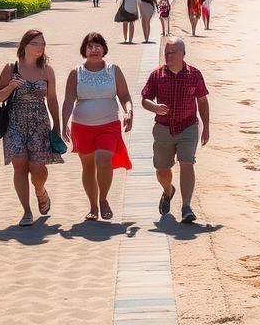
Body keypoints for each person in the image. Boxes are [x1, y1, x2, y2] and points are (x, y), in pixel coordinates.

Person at [0, 29, 63, 226]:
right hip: (14, 123)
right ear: (24, 45)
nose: (40, 47)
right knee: (19, 166)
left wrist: (57, 125)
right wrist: (10, 87)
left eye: (42, 43)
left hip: (39, 123)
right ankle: (26, 211)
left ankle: (40, 192)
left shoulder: (47, 70)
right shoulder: (11, 68)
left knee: (38, 170)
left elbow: (52, 99)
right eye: (35, 43)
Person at [61, 32, 133, 221]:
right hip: (82, 126)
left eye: (97, 46)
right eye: (90, 46)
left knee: (103, 160)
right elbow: (69, 100)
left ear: (104, 49)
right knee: (87, 167)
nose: (94, 50)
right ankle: (93, 206)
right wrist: (63, 123)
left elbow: (124, 96)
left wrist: (129, 111)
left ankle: (103, 199)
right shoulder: (76, 72)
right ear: (84, 50)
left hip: (109, 124)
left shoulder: (113, 70)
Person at [141, 36, 210, 223]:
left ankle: (186, 207)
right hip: (163, 128)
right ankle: (168, 190)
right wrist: (154, 107)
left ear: (183, 54)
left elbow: (202, 101)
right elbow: (145, 99)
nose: (168, 55)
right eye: (166, 52)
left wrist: (206, 127)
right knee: (162, 169)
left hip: (188, 126)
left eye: (172, 52)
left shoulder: (194, 74)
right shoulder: (157, 75)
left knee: (187, 162)